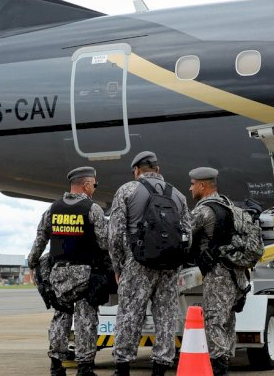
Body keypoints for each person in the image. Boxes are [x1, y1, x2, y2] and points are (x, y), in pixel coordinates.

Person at [107, 151, 188, 376]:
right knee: (166, 316)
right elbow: (187, 235)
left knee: (130, 314)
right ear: (158, 170)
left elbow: (114, 234)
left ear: (137, 171)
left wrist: (118, 267)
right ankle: (161, 367)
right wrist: (176, 264)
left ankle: (122, 367)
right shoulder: (178, 195)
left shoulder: (127, 191)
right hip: (169, 267)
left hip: (137, 264)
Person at [27, 166, 108, 376]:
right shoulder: (92, 209)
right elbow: (105, 242)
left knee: (61, 317)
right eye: (94, 185)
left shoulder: (52, 209)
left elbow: (40, 241)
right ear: (86, 184)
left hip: (58, 274)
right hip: (83, 274)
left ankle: (56, 366)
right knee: (85, 320)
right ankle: (84, 367)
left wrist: (32, 263)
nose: (95, 189)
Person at [186, 167, 251, 376]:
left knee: (214, 320)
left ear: (202, 186)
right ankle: (225, 362)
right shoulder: (230, 206)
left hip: (218, 274)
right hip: (237, 273)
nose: (190, 188)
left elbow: (183, 234)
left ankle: (219, 369)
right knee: (227, 319)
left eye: (193, 184)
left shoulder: (203, 211)